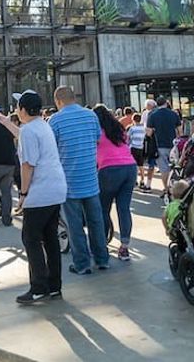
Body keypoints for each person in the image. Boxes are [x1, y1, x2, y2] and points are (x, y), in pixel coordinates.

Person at [12, 89, 67, 304]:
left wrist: (23, 193)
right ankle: (54, 286)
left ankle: (38, 287)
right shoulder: (43, 125)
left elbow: (28, 165)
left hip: (40, 191)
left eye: (18, 106)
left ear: (23, 110)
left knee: (31, 238)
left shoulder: (28, 131)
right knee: (50, 238)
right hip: (56, 188)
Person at [49, 86, 110, 274]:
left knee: (75, 226)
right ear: (74, 98)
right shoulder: (91, 116)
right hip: (91, 179)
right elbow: (97, 140)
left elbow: (51, 149)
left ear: (58, 101)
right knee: (96, 222)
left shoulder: (55, 120)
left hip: (69, 182)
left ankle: (82, 264)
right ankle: (102, 259)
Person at [93, 104, 137, 262]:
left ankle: (102, 244)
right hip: (130, 167)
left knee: (103, 209)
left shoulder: (97, 131)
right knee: (124, 209)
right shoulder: (119, 128)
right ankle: (124, 247)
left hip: (109, 169)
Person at [145, 96, 182, 199]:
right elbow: (180, 131)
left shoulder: (152, 115)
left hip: (159, 145)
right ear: (166, 103)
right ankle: (175, 190)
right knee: (175, 168)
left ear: (157, 104)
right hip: (174, 145)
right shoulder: (174, 114)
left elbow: (148, 133)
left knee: (164, 169)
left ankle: (167, 190)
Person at [126, 113, 147, 188]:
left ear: (133, 120)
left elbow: (127, 138)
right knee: (141, 165)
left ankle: (135, 180)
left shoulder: (132, 128)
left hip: (133, 147)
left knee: (134, 165)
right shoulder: (143, 128)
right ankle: (142, 180)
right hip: (140, 148)